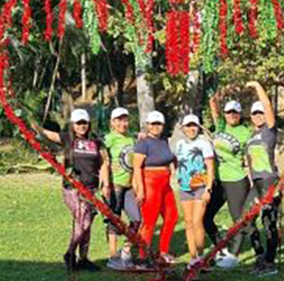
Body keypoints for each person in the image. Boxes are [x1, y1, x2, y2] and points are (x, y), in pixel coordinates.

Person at [33, 108, 110, 272]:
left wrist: (106, 184)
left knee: (87, 224)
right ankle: (69, 253)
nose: (82, 126)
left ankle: (83, 259)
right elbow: (45, 133)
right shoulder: (67, 138)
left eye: (84, 123)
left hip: (91, 189)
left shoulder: (96, 142)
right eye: (78, 123)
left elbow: (103, 163)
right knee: (83, 220)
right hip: (72, 188)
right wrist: (28, 120)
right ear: (73, 124)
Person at [204, 87, 253, 268]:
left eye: (235, 113)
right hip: (218, 180)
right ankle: (220, 247)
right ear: (224, 114)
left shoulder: (245, 132)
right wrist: (222, 90)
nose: (232, 115)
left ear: (240, 115)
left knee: (237, 218)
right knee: (206, 217)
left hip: (236, 180)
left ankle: (234, 255)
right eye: (229, 112)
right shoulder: (220, 127)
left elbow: (253, 153)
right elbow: (212, 104)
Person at [133, 111, 178, 267]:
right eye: (152, 124)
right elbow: (137, 168)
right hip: (150, 182)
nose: (155, 127)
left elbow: (171, 157)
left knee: (172, 216)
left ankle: (163, 251)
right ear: (147, 125)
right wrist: (140, 189)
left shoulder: (164, 140)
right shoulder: (143, 143)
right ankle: (143, 256)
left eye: (158, 124)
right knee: (150, 221)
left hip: (165, 183)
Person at [244, 81, 281, 277]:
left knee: (269, 221)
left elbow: (267, 106)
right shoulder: (252, 136)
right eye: (254, 114)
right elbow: (249, 161)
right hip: (256, 183)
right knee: (247, 219)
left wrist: (258, 86)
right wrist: (251, 181)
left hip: (270, 181)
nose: (258, 116)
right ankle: (260, 255)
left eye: (260, 113)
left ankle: (270, 262)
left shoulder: (270, 130)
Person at [175, 114, 215, 269]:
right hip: (185, 188)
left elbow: (210, 167)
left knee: (198, 221)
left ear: (198, 127)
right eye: (188, 126)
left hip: (201, 187)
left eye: (194, 126)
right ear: (183, 128)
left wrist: (208, 189)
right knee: (188, 222)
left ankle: (200, 255)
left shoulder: (204, 144)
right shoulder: (178, 144)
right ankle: (193, 258)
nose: (191, 129)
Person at [104, 107, 141, 271]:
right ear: (112, 123)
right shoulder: (109, 139)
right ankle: (112, 257)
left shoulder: (131, 139)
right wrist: (105, 183)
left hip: (129, 187)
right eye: (119, 120)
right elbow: (102, 160)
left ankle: (125, 251)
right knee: (114, 220)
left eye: (125, 119)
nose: (123, 123)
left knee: (138, 219)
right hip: (115, 185)